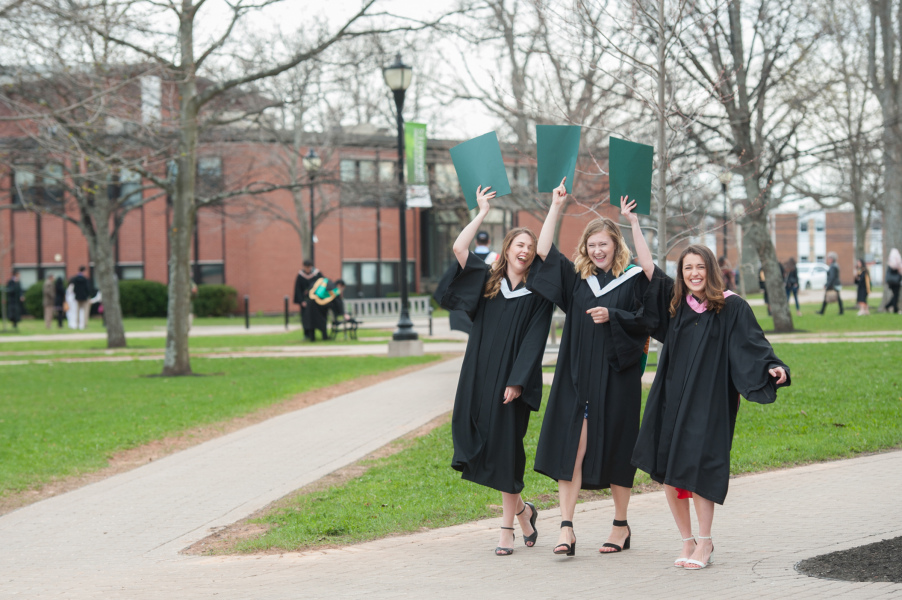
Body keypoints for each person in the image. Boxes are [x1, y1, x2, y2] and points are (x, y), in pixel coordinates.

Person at [630, 235, 790, 571]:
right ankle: (686, 540)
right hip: (671, 400)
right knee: (671, 473)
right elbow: (648, 268)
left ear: (710, 270)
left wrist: (772, 366)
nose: (694, 273)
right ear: (681, 273)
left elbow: (754, 345)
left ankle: (705, 541)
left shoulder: (732, 307)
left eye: (700, 267)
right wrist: (633, 223)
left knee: (700, 468)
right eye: (687, 268)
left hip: (709, 402)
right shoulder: (676, 306)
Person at [529, 178, 654, 557]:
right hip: (577, 378)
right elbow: (544, 251)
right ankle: (566, 527)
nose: (597, 250)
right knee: (573, 449)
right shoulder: (577, 280)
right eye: (592, 245)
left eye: (604, 244)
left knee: (618, 448)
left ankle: (620, 525)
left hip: (618, 379)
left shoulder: (632, 279)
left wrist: (613, 314)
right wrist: (555, 205)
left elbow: (648, 310)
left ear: (616, 246)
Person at [435, 185, 553, 556]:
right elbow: (459, 250)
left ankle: (505, 530)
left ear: (534, 256)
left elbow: (535, 340)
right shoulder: (488, 283)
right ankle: (523, 511)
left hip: (511, 381)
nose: (524, 251)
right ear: (507, 250)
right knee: (477, 441)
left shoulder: (538, 295)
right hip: (479, 374)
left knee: (506, 450)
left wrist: (518, 381)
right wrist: (482, 212)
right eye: (519, 245)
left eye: (530, 248)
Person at [294, 260, 323, 341]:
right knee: (305, 319)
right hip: (305, 302)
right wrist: (301, 301)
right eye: (306, 267)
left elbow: (322, 285)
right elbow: (298, 290)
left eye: (309, 267)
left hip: (315, 301)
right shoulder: (300, 276)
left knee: (317, 318)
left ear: (311, 266)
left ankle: (320, 333)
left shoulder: (317, 274)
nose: (307, 269)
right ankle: (307, 334)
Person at [885, 248, 901, 314]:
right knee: (896, 295)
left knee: (895, 295)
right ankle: (894, 308)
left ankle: (889, 306)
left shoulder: (890, 263)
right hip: (896, 282)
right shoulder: (896, 264)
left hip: (891, 282)